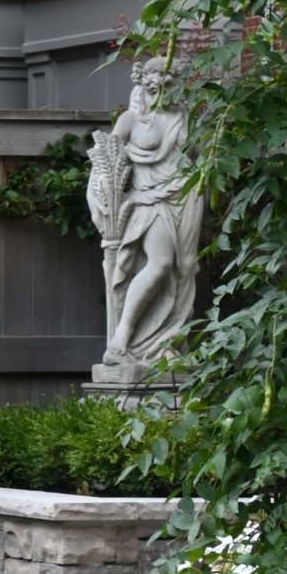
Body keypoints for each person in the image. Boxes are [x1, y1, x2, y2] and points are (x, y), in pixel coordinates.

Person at [87, 59, 205, 375]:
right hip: (148, 200)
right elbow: (105, 164)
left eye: (169, 86)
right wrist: (103, 200)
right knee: (160, 263)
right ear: (144, 84)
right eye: (156, 85)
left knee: (182, 272)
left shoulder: (185, 118)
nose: (162, 91)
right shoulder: (130, 120)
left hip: (187, 197)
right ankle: (122, 337)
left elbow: (201, 159)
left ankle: (166, 344)